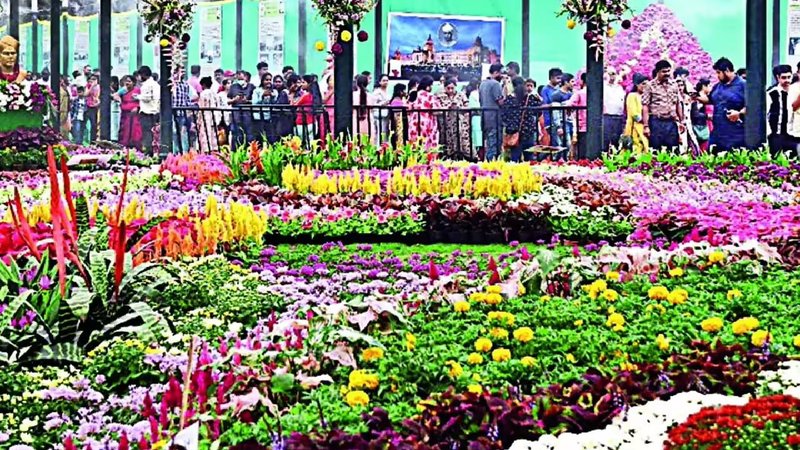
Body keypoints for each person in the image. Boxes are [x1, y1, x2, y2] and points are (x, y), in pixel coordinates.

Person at [697, 57, 746, 152]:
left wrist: (739, 113)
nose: (717, 76)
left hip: (736, 134)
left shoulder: (743, 85)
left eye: (718, 73)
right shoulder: (717, 86)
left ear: (727, 70)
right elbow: (710, 100)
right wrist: (696, 96)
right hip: (717, 133)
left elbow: (753, 106)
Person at [642, 59, 683, 150]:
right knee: (656, 151)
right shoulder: (650, 85)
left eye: (668, 71)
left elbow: (678, 103)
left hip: (671, 122)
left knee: (673, 151)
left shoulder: (674, 85)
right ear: (657, 72)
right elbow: (645, 106)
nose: (667, 74)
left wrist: (681, 121)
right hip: (656, 122)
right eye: (664, 72)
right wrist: (646, 126)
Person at [502, 77, 537, 162]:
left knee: (515, 157)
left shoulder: (509, 100)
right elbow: (538, 109)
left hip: (514, 132)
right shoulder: (529, 99)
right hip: (528, 130)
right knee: (529, 157)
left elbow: (504, 115)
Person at [437, 78, 471, 160]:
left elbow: (467, 107)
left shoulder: (461, 95)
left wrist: (459, 108)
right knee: (446, 141)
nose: (450, 90)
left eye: (452, 88)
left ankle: (462, 157)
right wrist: (447, 107)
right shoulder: (439, 96)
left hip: (460, 123)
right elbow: (437, 108)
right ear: (444, 88)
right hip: (446, 124)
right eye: (448, 88)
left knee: (461, 141)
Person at [767, 65, 796, 157]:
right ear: (777, 77)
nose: (787, 80)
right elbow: (765, 115)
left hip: (793, 135)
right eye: (783, 77)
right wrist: (769, 133)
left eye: (789, 77)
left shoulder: (795, 92)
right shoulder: (771, 93)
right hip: (777, 135)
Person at [479, 63, 505, 160]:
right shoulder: (495, 84)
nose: (503, 76)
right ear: (496, 72)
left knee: (489, 144)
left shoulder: (482, 84)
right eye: (501, 73)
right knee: (494, 146)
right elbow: (500, 102)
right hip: (494, 119)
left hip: (485, 118)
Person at [408, 75, 440, 149]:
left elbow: (408, 108)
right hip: (427, 123)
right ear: (428, 86)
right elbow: (436, 110)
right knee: (427, 144)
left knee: (415, 143)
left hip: (414, 122)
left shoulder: (413, 95)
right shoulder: (430, 96)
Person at [674, 67, 700, 154]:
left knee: (693, 147)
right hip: (677, 126)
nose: (680, 88)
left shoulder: (688, 97)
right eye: (678, 86)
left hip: (688, 125)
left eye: (681, 85)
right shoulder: (672, 98)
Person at [623, 73, 650, 154]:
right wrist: (645, 120)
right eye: (643, 84)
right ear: (636, 85)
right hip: (635, 127)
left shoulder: (647, 96)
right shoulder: (632, 96)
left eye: (647, 84)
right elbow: (635, 115)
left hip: (646, 127)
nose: (646, 86)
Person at [136, 65, 160, 155]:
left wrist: (138, 97)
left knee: (147, 133)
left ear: (144, 74)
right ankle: (152, 151)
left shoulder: (147, 85)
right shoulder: (155, 84)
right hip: (154, 111)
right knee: (153, 133)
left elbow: (148, 97)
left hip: (147, 111)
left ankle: (148, 152)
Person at [197, 76, 225, 152]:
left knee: (205, 134)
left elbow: (201, 107)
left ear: (203, 85)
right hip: (215, 116)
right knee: (214, 135)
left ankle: (206, 150)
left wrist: (198, 119)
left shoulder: (203, 94)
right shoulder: (215, 93)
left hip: (206, 116)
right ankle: (214, 150)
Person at [172, 67, 197, 152]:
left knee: (183, 133)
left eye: (184, 71)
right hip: (172, 113)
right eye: (181, 71)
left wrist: (189, 110)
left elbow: (187, 99)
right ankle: (175, 152)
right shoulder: (172, 84)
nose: (183, 73)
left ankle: (183, 152)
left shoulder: (185, 85)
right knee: (174, 133)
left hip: (182, 113)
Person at [228, 70, 256, 147]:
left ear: (246, 77)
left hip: (248, 114)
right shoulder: (233, 87)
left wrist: (247, 101)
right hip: (236, 114)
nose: (240, 80)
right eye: (238, 79)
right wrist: (234, 100)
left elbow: (255, 100)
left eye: (241, 78)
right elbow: (228, 99)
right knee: (237, 134)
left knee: (249, 134)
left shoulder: (251, 87)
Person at [116, 75, 142, 150]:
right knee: (124, 132)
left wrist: (137, 107)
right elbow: (115, 96)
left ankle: (135, 148)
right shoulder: (123, 90)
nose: (127, 83)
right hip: (125, 115)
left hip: (134, 115)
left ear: (133, 83)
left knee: (135, 132)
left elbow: (141, 101)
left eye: (129, 81)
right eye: (126, 81)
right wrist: (119, 100)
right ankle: (124, 147)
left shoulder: (137, 90)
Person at [603, 67, 626, 152]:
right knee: (605, 140)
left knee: (616, 141)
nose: (612, 76)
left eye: (613, 74)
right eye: (610, 74)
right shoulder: (603, 87)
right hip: (607, 116)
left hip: (618, 117)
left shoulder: (619, 88)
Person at [550, 73, 574, 151]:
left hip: (570, 122)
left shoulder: (571, 94)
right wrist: (558, 126)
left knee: (570, 145)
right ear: (566, 82)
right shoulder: (556, 94)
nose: (573, 84)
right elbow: (555, 112)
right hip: (562, 122)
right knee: (565, 144)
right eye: (572, 81)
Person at [295, 74, 321, 142]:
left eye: (303, 82)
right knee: (310, 143)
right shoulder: (315, 95)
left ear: (309, 84)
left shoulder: (306, 95)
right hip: (312, 122)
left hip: (302, 123)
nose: (301, 84)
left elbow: (294, 105)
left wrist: (292, 95)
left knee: (300, 144)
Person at [569, 73, 588, 159]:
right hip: (596, 127)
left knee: (582, 152)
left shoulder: (579, 93)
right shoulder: (598, 94)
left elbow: (569, 105)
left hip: (582, 126)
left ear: (582, 81)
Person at [253, 74, 277, 142]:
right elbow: (254, 103)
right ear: (262, 81)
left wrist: (273, 97)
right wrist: (262, 96)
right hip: (259, 117)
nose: (268, 81)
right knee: (259, 137)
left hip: (269, 117)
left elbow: (276, 104)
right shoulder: (257, 91)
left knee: (271, 138)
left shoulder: (274, 91)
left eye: (270, 80)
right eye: (266, 80)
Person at [691, 78, 712, 152]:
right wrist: (707, 116)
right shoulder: (697, 98)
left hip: (709, 124)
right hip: (701, 126)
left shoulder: (709, 97)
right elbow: (695, 114)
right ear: (704, 86)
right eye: (709, 86)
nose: (711, 88)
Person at [352, 74, 374, 141]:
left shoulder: (353, 95)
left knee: (356, 141)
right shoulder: (370, 96)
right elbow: (372, 108)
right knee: (368, 141)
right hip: (368, 120)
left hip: (356, 120)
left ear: (357, 83)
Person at [466, 79, 483, 159]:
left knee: (475, 138)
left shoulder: (471, 94)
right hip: (478, 117)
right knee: (479, 138)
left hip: (474, 118)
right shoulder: (475, 94)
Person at [372, 74, 391, 140]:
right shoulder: (376, 92)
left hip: (386, 115)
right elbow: (373, 104)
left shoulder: (388, 92)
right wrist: (382, 104)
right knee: (380, 132)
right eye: (384, 80)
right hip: (378, 116)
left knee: (385, 132)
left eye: (387, 80)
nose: (386, 82)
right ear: (380, 82)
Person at [389, 83, 407, 147]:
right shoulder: (397, 101)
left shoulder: (398, 100)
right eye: (404, 90)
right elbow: (397, 116)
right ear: (400, 91)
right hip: (398, 125)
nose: (405, 92)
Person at [84, 74, 101, 143]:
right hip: (88, 106)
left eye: (94, 79)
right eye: (91, 79)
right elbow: (86, 94)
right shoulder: (88, 86)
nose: (93, 81)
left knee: (94, 124)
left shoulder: (99, 87)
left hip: (96, 107)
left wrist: (98, 103)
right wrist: (91, 86)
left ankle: (93, 140)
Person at [110, 76, 120, 142]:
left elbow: (116, 98)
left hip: (116, 110)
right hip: (112, 110)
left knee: (116, 125)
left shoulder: (119, 91)